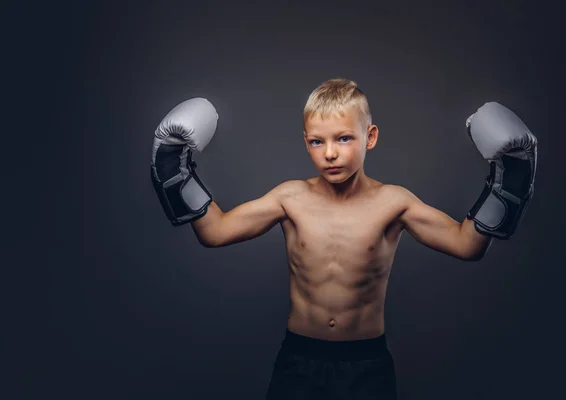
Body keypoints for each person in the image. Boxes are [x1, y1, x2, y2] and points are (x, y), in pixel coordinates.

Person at [150, 78, 538, 399]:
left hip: (366, 366)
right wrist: (173, 164)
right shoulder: (290, 197)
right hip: (298, 361)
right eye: (318, 142)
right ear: (306, 141)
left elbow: (466, 245)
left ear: (369, 137)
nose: (330, 154)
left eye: (344, 139)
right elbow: (214, 232)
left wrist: (512, 175)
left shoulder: (393, 202)